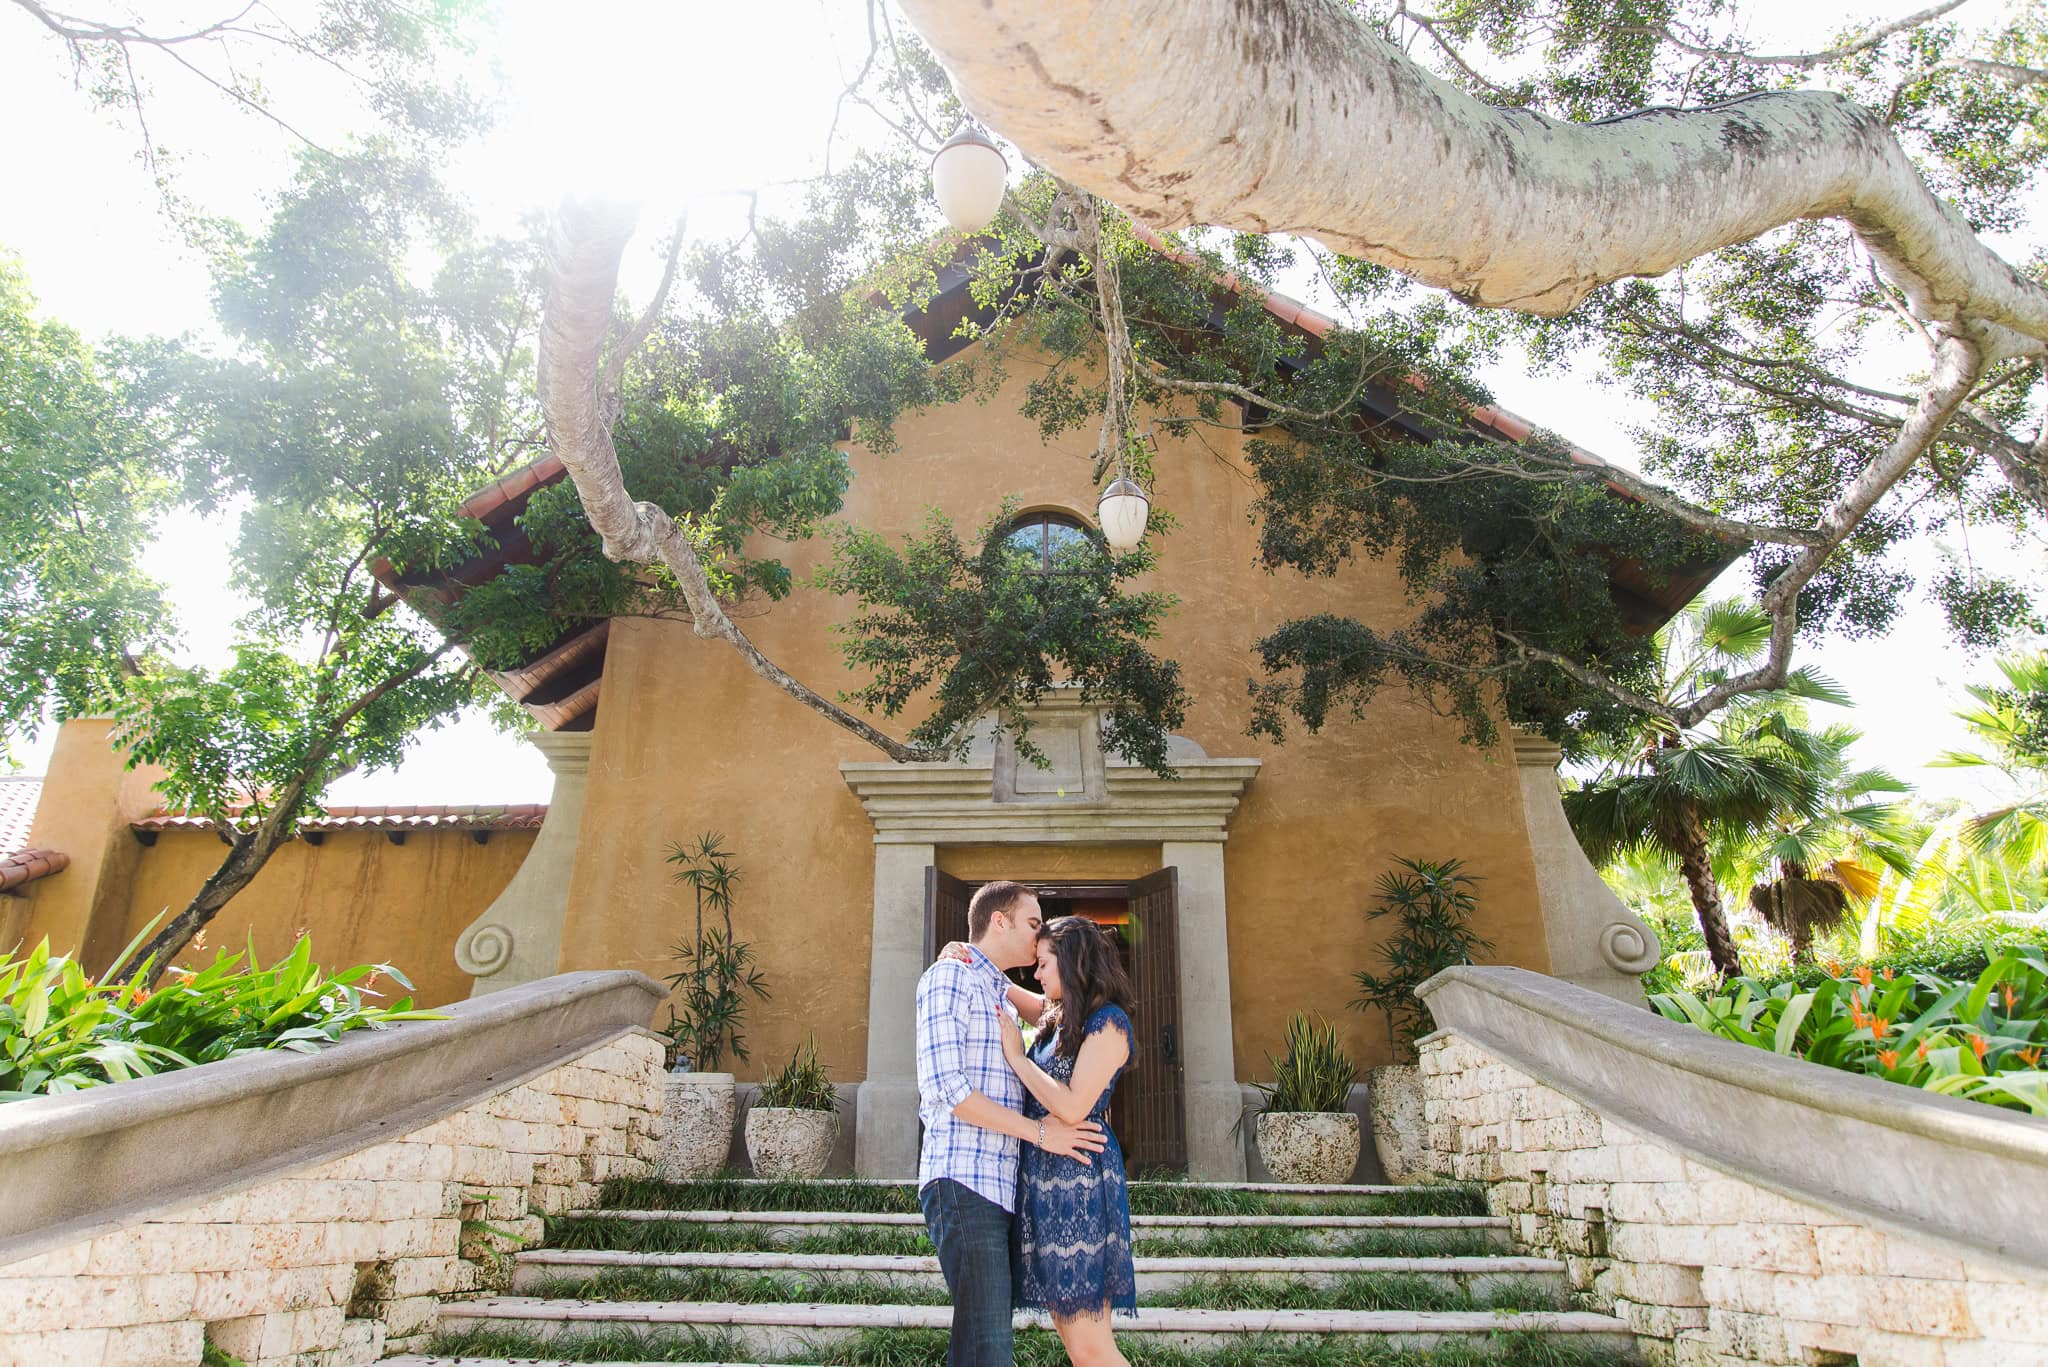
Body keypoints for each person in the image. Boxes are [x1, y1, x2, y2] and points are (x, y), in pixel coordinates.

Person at [916, 880, 1107, 1366]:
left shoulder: (993, 987)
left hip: (1000, 1186)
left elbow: (1068, 1009)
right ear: (998, 921)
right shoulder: (949, 978)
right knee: (990, 1348)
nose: (1038, 937)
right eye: (1032, 924)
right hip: (963, 1180)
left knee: (981, 1340)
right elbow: (948, 1090)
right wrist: (1045, 1133)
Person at [998, 915, 1138, 1367]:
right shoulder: (1059, 1015)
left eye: (1043, 964)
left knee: (1091, 1346)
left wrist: (1018, 1060)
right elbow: (1006, 989)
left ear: (1073, 961)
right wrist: (961, 954)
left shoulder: (1108, 1023)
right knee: (1073, 1339)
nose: (1035, 975)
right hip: (1042, 1181)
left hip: (1078, 1184)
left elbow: (1074, 1106)